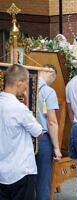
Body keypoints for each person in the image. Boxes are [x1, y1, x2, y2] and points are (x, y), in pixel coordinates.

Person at [0, 64, 43, 200]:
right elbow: (38, 132)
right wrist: (27, 100)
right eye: (26, 82)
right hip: (21, 171)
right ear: (19, 82)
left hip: (2, 172)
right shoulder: (19, 109)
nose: (26, 87)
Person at [35, 64, 62, 200]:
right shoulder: (48, 91)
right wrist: (57, 147)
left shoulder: (24, 85)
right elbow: (52, 121)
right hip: (42, 138)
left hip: (23, 138)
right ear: (51, 74)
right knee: (43, 178)